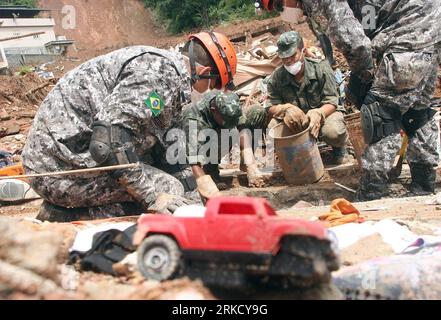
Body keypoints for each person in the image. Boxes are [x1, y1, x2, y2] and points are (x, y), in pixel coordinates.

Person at [22, 31, 237, 221]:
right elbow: (107, 143)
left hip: (75, 155)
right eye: (214, 84)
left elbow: (169, 150)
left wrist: (197, 194)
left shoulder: (171, 77)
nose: (212, 91)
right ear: (204, 71)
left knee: (176, 189)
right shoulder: (158, 73)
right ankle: (64, 214)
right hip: (57, 167)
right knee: (168, 191)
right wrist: (153, 197)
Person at [256, 0, 441, 201]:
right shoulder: (278, 76)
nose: (282, 12)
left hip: (409, 29)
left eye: (279, 6)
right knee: (418, 111)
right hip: (429, 25)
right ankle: (423, 184)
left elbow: (352, 39)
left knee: (380, 114)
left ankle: (371, 192)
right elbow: (369, 25)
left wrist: (363, 74)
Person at [239, 31, 348, 179]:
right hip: (294, 120)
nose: (289, 61)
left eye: (293, 56)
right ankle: (294, 157)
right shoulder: (277, 77)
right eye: (284, 58)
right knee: (272, 128)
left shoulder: (321, 68)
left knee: (333, 131)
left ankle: (339, 148)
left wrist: (318, 113)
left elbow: (332, 101)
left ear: (302, 51)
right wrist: (285, 109)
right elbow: (270, 106)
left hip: (324, 114)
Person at [182, 90, 242, 200]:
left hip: (210, 133)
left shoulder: (224, 100)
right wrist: (205, 185)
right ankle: (198, 177)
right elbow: (193, 159)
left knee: (230, 133)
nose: (230, 123)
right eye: (225, 120)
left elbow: (241, 125)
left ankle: (211, 171)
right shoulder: (193, 118)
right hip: (180, 145)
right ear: (214, 111)